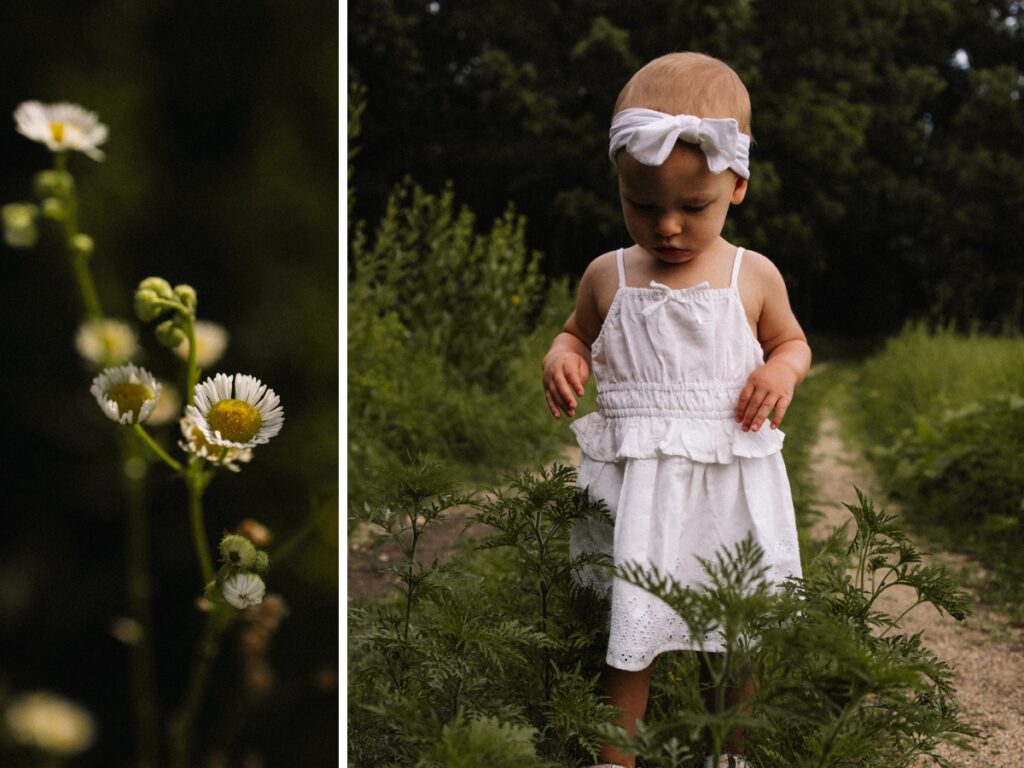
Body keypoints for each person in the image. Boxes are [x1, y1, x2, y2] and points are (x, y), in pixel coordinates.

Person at [541, 52, 811, 768]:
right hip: (640, 494)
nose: (666, 227)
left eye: (693, 208)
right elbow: (576, 331)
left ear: (738, 185)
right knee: (630, 644)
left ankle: (729, 754)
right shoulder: (609, 274)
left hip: (725, 489)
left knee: (731, 644)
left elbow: (791, 342)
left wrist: (781, 369)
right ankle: (614, 759)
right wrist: (564, 355)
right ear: (620, 185)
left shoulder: (749, 275)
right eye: (642, 203)